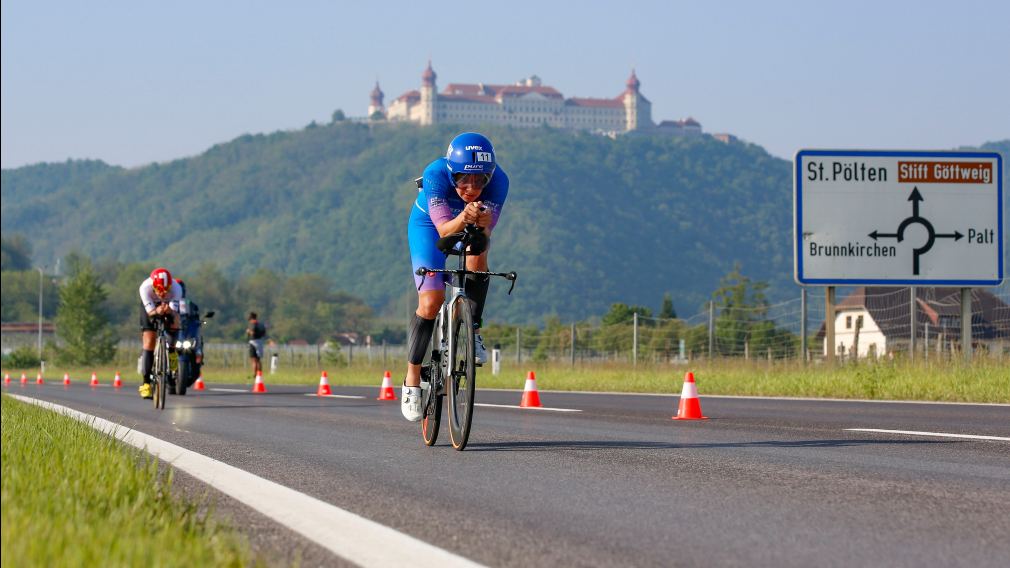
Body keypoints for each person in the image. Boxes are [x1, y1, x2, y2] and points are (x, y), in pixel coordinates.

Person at [402, 132, 509, 421]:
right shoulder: (435, 173)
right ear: (451, 172)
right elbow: (444, 233)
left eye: (480, 179)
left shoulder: (500, 181)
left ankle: (472, 329)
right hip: (430, 226)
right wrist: (466, 216)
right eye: (463, 178)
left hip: (467, 223)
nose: (472, 187)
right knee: (430, 301)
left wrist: (484, 226)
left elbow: (484, 237)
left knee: (478, 253)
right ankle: (412, 379)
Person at [138, 268, 185, 399]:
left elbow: (174, 312)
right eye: (159, 290)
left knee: (175, 321)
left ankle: (172, 351)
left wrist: (168, 311)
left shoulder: (177, 289)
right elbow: (150, 313)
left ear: (170, 286)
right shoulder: (145, 288)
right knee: (149, 341)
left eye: (166, 290)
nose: (163, 293)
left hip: (168, 306)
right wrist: (157, 310)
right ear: (153, 286)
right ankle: (146, 383)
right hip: (151, 307)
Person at [246, 312, 267, 378]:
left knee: (254, 360)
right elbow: (264, 334)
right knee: (258, 360)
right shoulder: (261, 324)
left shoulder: (252, 324)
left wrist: (248, 331)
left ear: (251, 318)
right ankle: (260, 374)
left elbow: (252, 333)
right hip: (260, 342)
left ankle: (255, 375)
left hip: (253, 342)